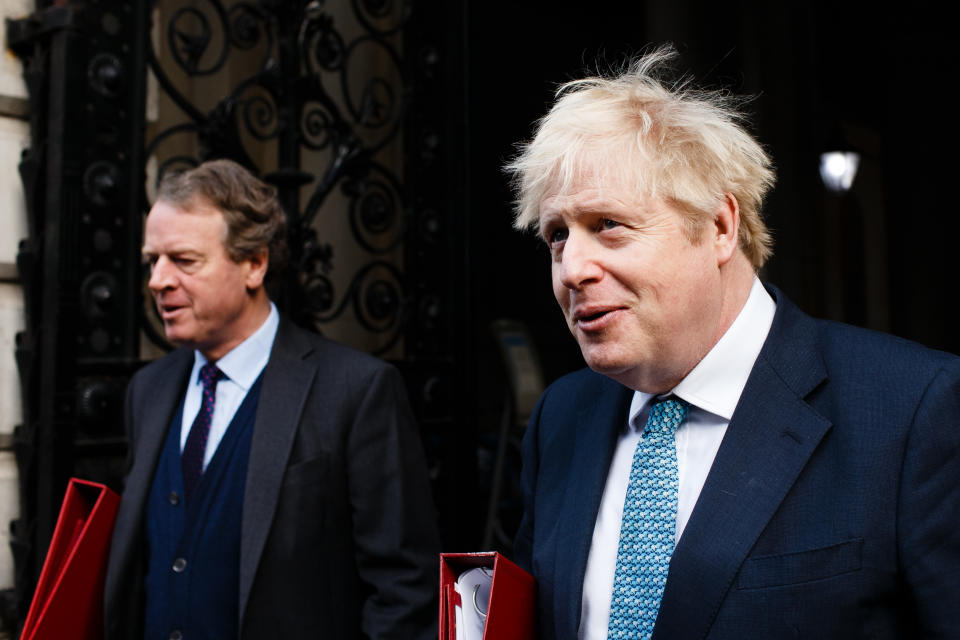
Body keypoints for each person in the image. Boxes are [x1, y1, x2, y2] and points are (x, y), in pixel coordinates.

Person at [506, 46, 960, 639]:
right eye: (557, 236)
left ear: (719, 226)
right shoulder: (561, 418)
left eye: (608, 225)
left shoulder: (912, 409)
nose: (573, 269)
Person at [104, 159, 440, 639]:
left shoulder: (356, 391)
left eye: (183, 260)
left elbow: (404, 592)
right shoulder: (148, 391)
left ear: (255, 263)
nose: (158, 280)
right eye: (152, 260)